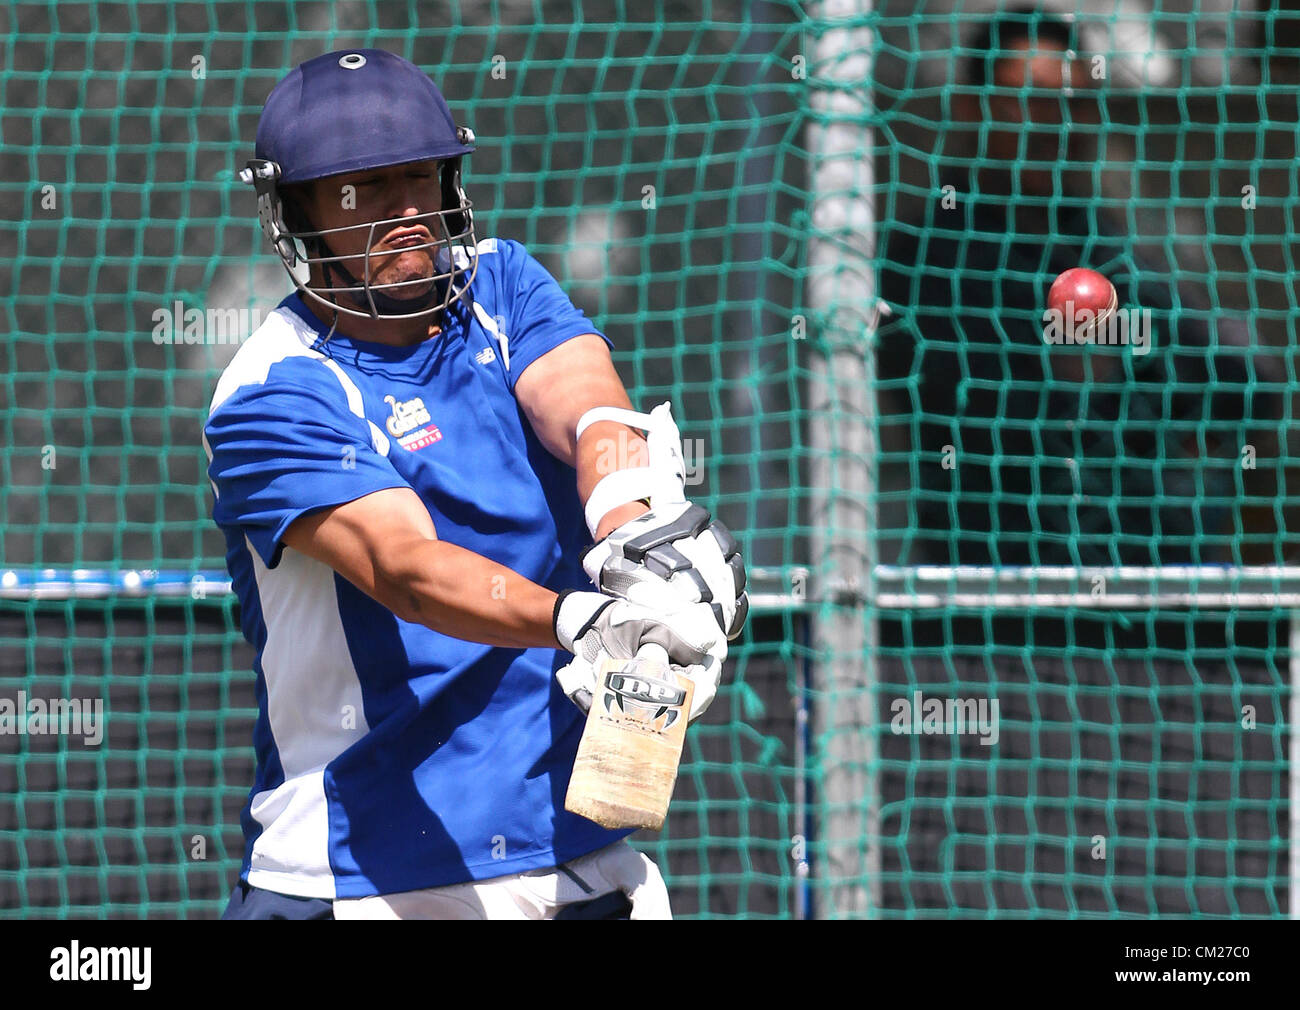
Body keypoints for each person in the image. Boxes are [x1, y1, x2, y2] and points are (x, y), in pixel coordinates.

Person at [204, 49, 748, 919]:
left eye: (420, 176)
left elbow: (590, 415)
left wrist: (635, 544)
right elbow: (407, 569)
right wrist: (582, 618)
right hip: (366, 877)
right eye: (364, 189)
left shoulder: (503, 283)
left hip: (578, 855)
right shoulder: (272, 391)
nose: (407, 211)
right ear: (298, 213)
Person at [876, 9, 1275, 567]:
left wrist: (1133, 369)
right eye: (1029, 97)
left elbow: (1233, 374)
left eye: (1072, 101)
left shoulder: (1107, 243)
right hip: (992, 586)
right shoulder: (928, 255)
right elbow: (965, 391)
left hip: (1144, 583)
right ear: (973, 107)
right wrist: (1083, 365)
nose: (1052, 122)